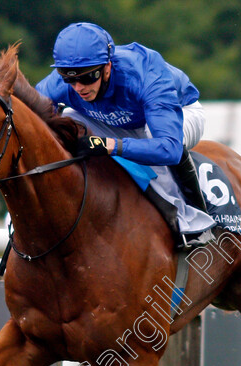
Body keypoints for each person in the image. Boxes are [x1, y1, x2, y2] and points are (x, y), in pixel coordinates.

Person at [35, 22, 215, 248]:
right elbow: (32, 123)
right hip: (115, 118)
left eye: (88, 77)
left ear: (107, 67)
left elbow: (169, 148)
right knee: (66, 121)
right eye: (69, 78)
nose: (79, 87)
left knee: (152, 135)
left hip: (178, 115)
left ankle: (191, 219)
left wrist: (110, 145)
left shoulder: (145, 74)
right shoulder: (61, 83)